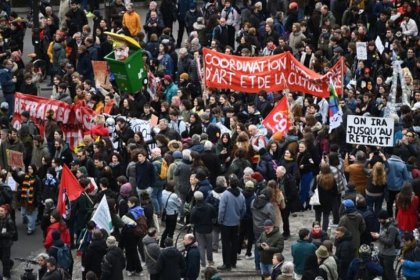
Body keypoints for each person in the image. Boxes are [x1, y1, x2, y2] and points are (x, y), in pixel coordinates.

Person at [217, 174, 246, 271]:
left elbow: (221, 209)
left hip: (226, 223)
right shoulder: (241, 195)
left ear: (229, 182)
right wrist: (239, 218)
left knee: (226, 244)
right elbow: (244, 209)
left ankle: (227, 264)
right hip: (236, 222)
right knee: (234, 243)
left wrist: (220, 220)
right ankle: (234, 262)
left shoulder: (225, 194)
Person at [190, 190, 217, 267]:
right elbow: (214, 216)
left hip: (199, 230)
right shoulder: (209, 206)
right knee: (209, 245)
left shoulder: (194, 209)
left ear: (195, 199)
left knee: (201, 246)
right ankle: (210, 260)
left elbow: (191, 220)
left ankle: (203, 262)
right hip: (209, 229)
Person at [370, 210, 399, 280]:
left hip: (389, 254)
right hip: (382, 252)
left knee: (389, 273)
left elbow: (390, 242)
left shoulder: (391, 228)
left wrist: (379, 237)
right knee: (383, 272)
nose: (378, 220)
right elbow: (384, 237)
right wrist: (378, 236)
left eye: (380, 219)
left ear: (385, 218)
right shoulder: (383, 225)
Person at [0, 204, 15, 279]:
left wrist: (3, 234)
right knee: (2, 258)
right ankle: (11, 263)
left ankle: (6, 276)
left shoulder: (9, 221)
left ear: (6, 211)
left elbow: (12, 233)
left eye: (1, 211)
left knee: (5, 261)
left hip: (6, 244)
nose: (0, 212)